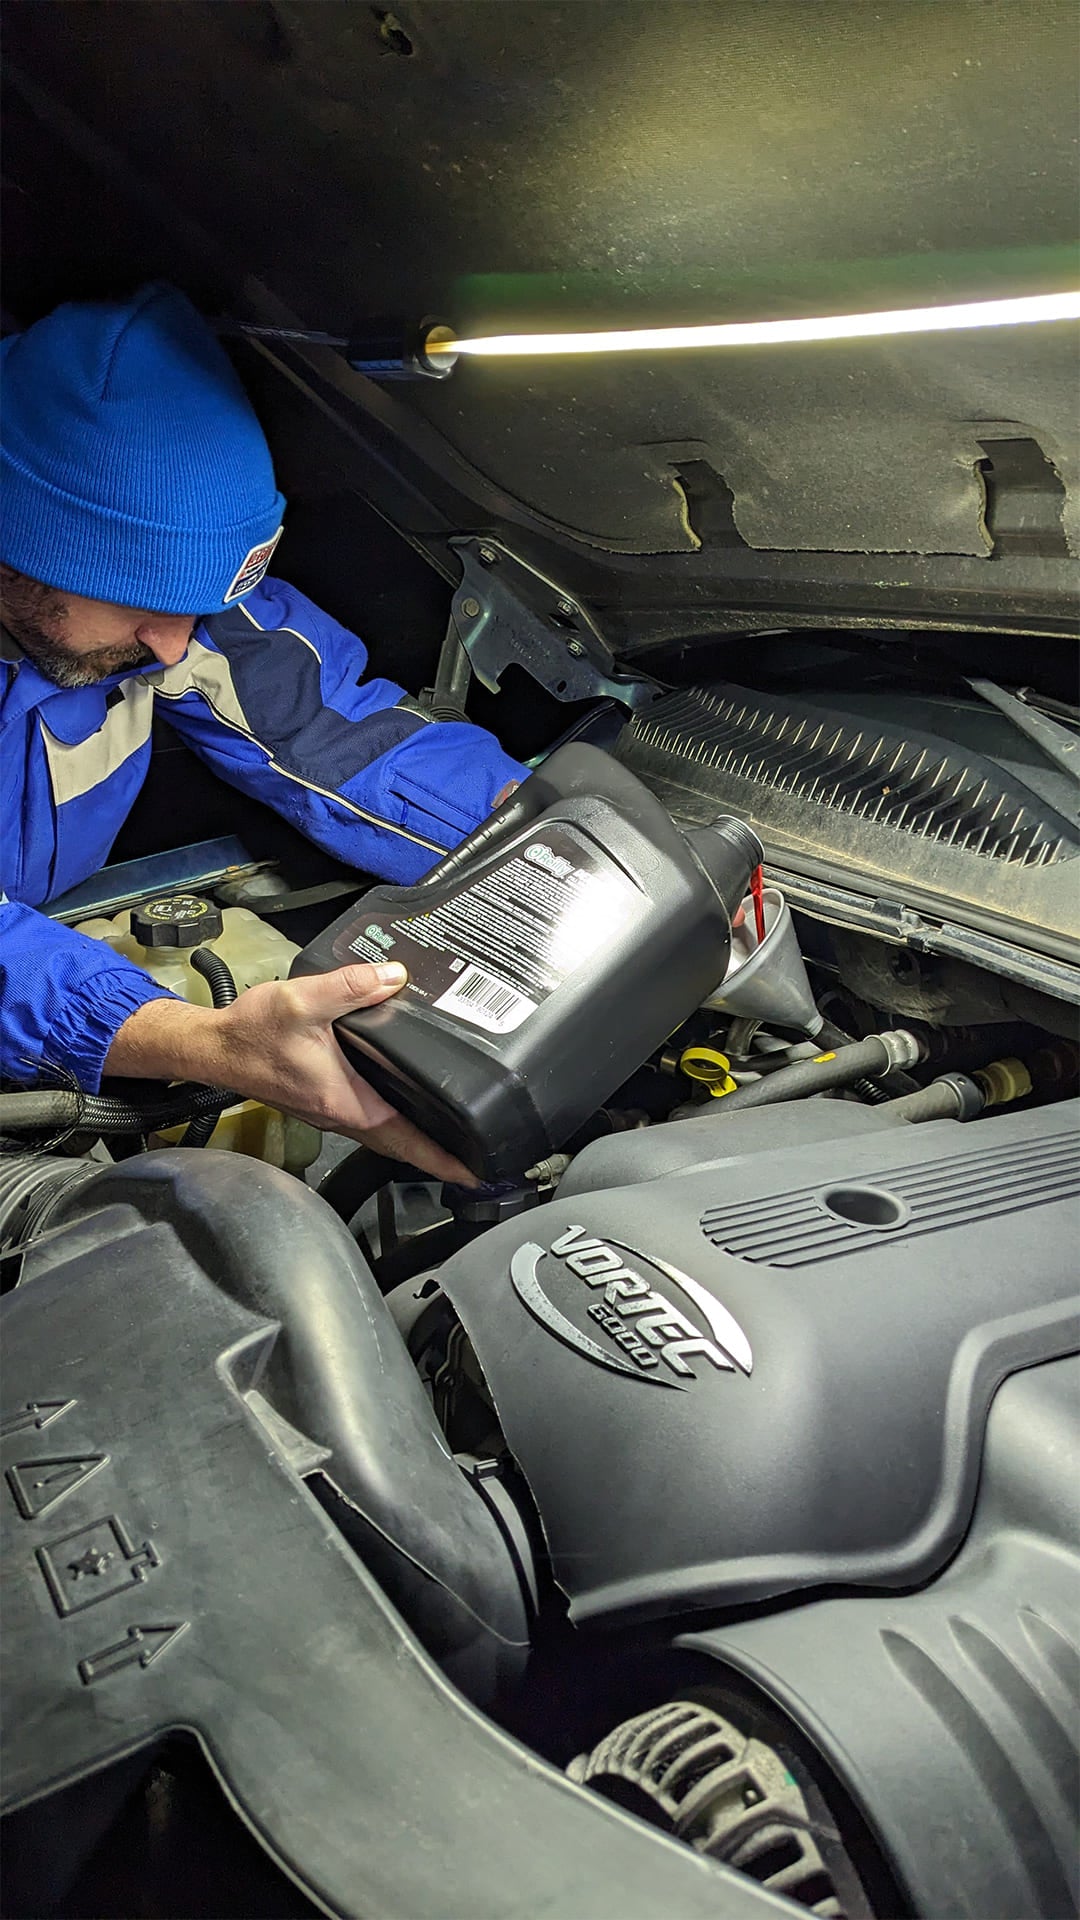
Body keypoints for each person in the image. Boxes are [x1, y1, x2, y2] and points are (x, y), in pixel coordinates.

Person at [0, 284, 526, 1180]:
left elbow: (339, 735)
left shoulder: (176, 617)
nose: (176, 642)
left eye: (201, 604)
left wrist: (544, 835)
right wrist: (194, 1040)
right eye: (140, 603)